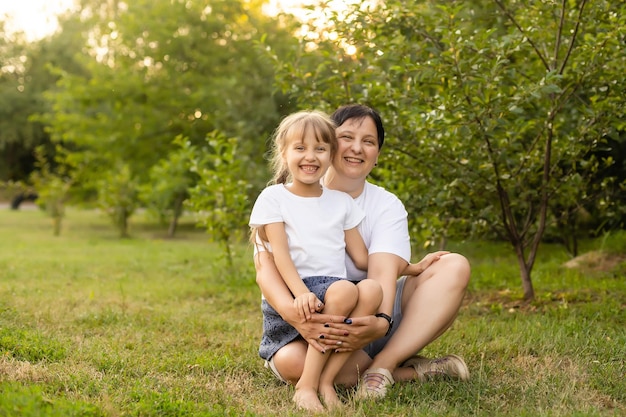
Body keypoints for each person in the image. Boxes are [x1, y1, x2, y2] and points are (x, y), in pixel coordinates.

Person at [254, 104, 471, 400]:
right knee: (294, 360)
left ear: (377, 154)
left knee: (453, 265)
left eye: (368, 141)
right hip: (308, 319)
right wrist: (296, 317)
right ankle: (408, 373)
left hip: (366, 318)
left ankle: (380, 368)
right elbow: (267, 267)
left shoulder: (381, 205)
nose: (357, 148)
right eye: (347, 137)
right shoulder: (279, 197)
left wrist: (381, 321)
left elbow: (376, 268)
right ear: (331, 143)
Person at [249, 110, 387, 411]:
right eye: (300, 148)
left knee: (372, 290)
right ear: (284, 153)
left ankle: (325, 381)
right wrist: (301, 294)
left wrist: (411, 266)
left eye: (320, 148)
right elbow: (280, 255)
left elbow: (363, 258)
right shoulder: (274, 198)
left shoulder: (341, 203)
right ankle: (307, 386)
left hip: (333, 294)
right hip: (296, 296)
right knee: (345, 290)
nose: (310, 156)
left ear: (331, 154)